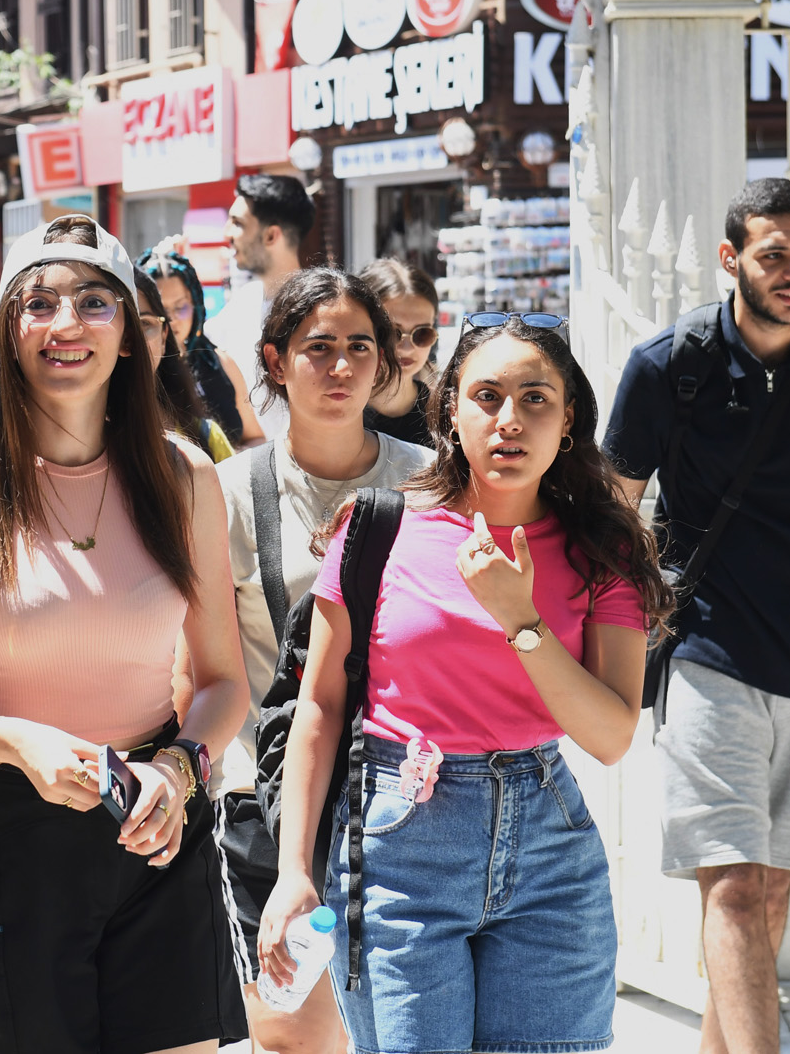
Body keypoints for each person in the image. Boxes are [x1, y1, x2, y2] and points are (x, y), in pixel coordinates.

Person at [0, 215, 251, 1054]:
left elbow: (221, 681)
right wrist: (10, 740)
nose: (66, 323)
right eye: (39, 303)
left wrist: (179, 770)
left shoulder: (186, 477)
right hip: (9, 837)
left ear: (132, 336)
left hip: (155, 827)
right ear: (7, 334)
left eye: (94, 302)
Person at [261, 312, 666, 1054]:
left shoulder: (602, 547)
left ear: (568, 415)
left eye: (536, 397)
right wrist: (293, 871)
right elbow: (318, 707)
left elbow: (610, 736)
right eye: (486, 396)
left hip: (551, 849)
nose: (510, 420)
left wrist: (520, 618)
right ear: (450, 408)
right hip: (397, 848)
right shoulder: (378, 529)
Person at [601, 177, 790, 1054]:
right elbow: (616, 505)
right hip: (709, 648)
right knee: (727, 882)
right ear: (732, 259)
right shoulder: (669, 365)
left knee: (768, 889)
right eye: (775, 255)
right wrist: (632, 619)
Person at [213, 268, 431, 1054]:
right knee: (296, 1037)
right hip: (267, 804)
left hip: (408, 802)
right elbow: (201, 654)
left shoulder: (431, 482)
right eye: (318, 348)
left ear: (385, 364)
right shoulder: (230, 492)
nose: (340, 367)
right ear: (275, 360)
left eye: (359, 348)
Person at [205, 176, 316, 443]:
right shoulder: (244, 302)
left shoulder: (318, 311)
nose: (227, 233)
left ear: (271, 235)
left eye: (238, 223)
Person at [140, 245, 260, 448]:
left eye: (180, 306)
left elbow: (255, 438)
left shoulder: (220, 364)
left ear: (196, 304)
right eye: (159, 309)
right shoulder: (134, 375)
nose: (171, 319)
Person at [134, 267, 234, 463]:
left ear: (164, 336)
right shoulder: (76, 443)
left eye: (145, 323)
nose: (132, 338)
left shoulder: (208, 438)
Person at [358, 259, 443, 448]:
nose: (406, 347)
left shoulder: (447, 418)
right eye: (391, 333)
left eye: (422, 334)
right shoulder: (337, 411)